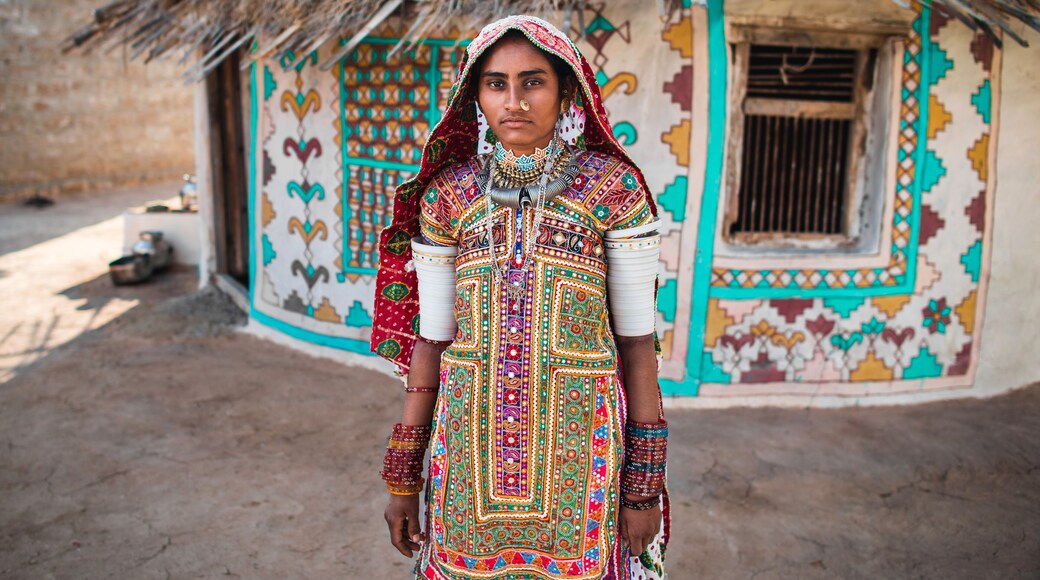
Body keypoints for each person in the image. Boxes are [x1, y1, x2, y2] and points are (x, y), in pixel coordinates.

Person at [372, 15, 670, 579]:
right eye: (496, 83)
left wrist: (642, 489)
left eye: (533, 82)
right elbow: (431, 344)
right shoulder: (448, 197)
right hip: (467, 459)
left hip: (585, 463)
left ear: (565, 92)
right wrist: (404, 477)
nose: (514, 100)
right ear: (475, 97)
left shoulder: (614, 190)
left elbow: (637, 346)